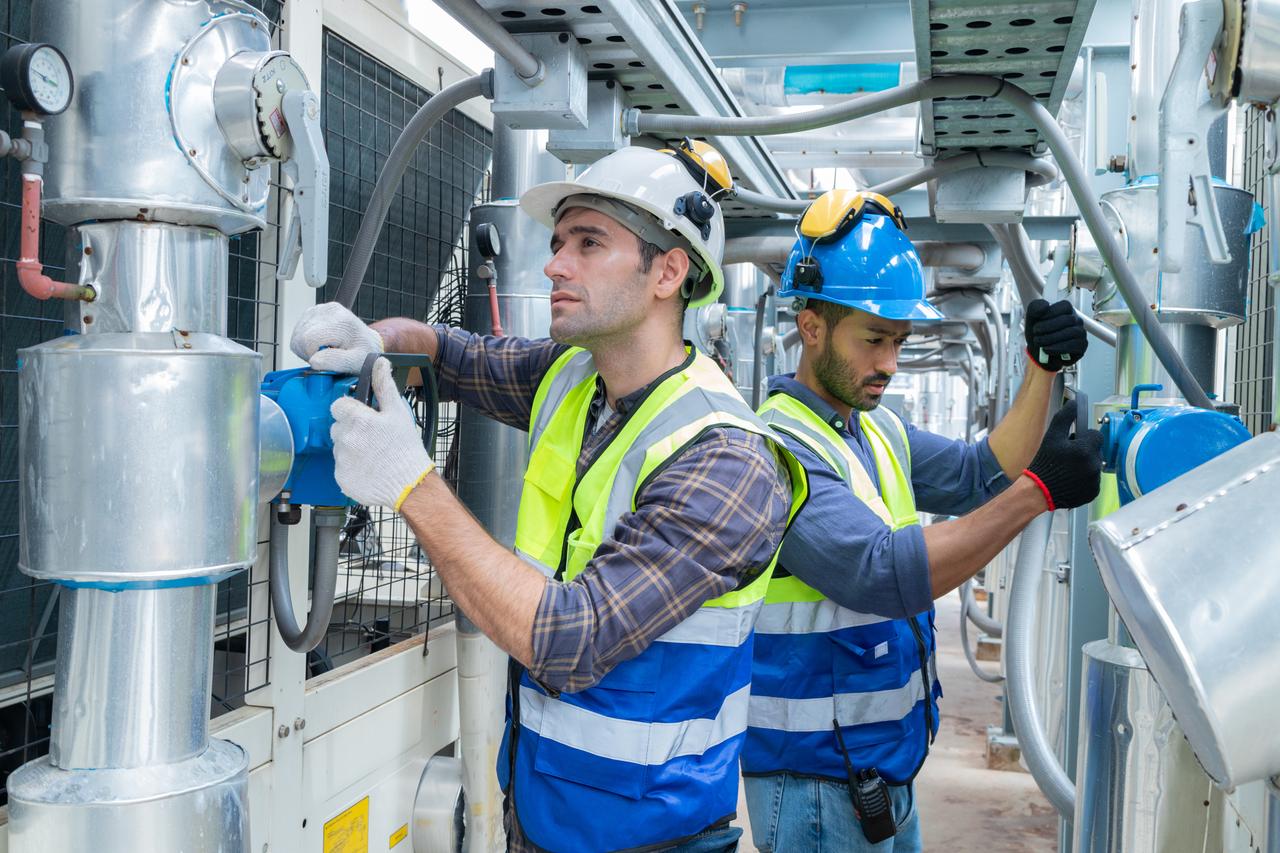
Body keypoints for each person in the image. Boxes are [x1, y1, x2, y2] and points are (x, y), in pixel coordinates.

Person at [289, 141, 807, 853]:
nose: (554, 264)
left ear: (669, 270)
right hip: (538, 815)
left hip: (651, 838)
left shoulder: (725, 460)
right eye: (559, 242)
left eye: (588, 244)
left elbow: (571, 637)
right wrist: (376, 341)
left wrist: (410, 482)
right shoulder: (572, 378)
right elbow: (453, 353)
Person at [739, 189, 1102, 851]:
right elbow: (879, 572)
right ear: (811, 325)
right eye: (874, 339)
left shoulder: (875, 430)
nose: (890, 363)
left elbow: (979, 472)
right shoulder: (776, 448)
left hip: (878, 769)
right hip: (814, 786)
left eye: (900, 341)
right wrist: (1037, 493)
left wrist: (1040, 372)